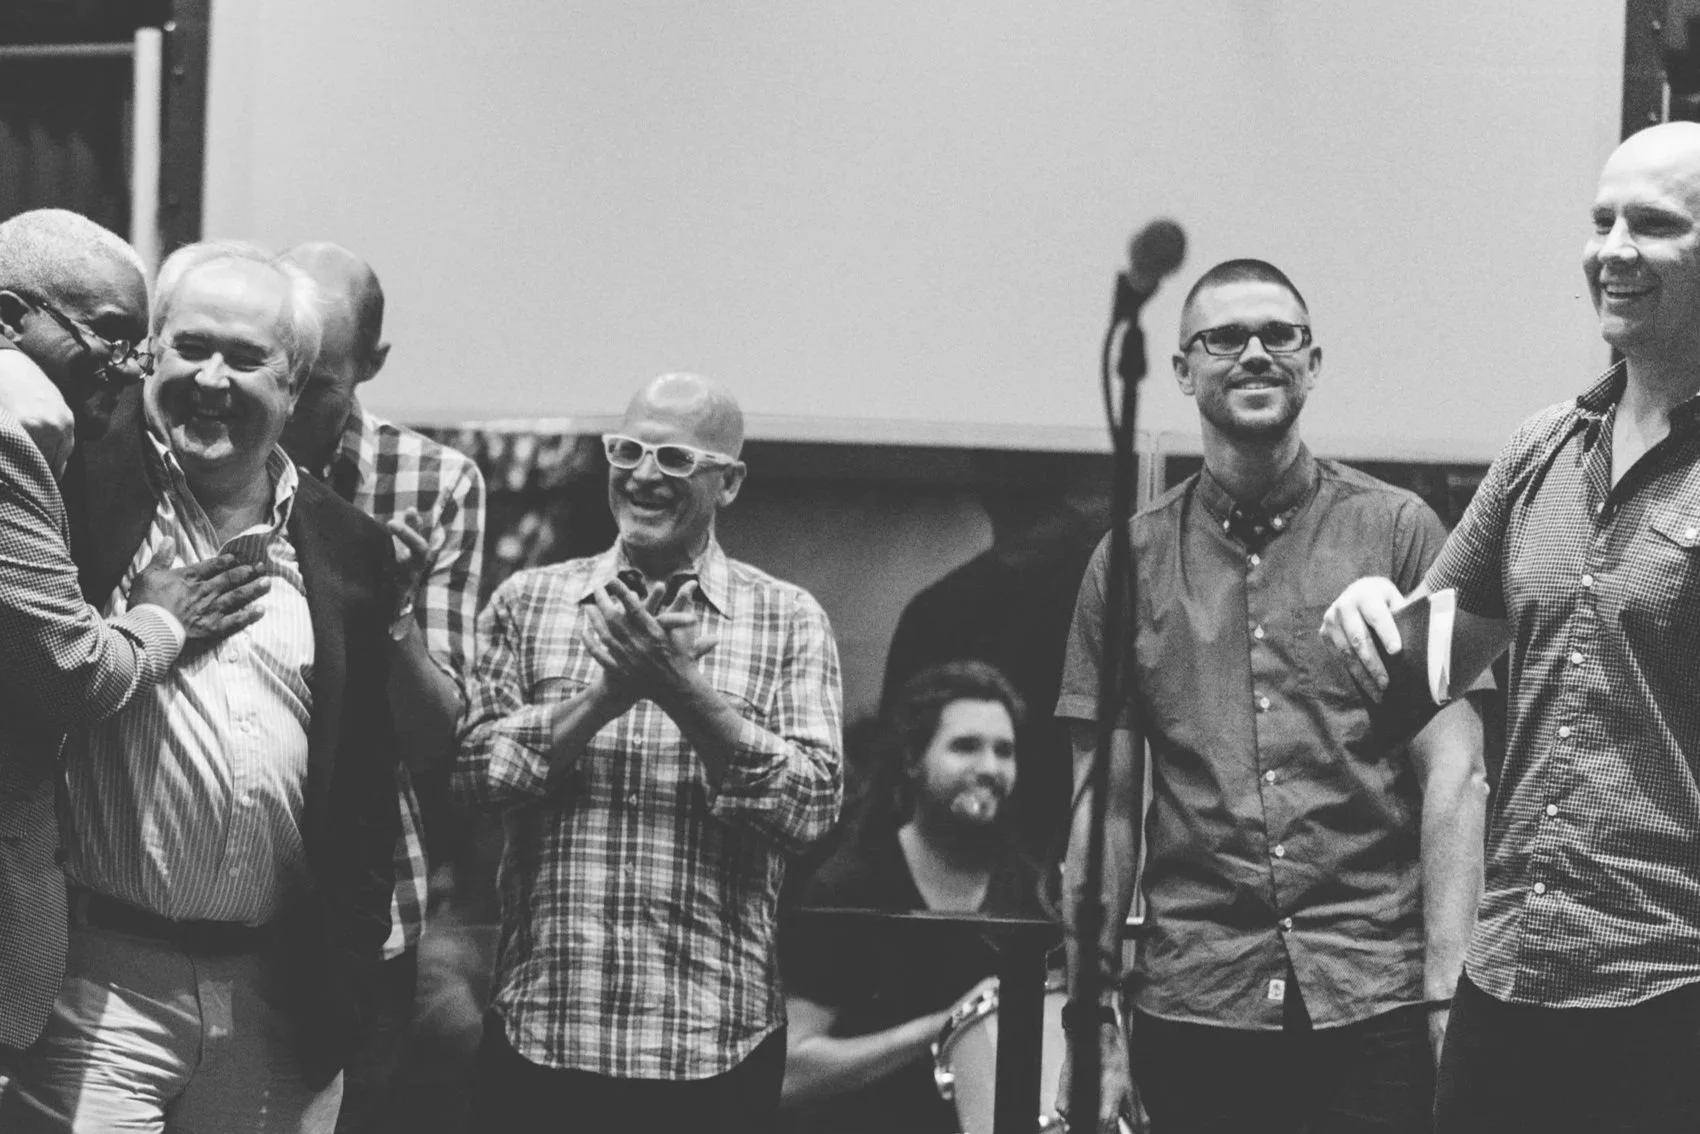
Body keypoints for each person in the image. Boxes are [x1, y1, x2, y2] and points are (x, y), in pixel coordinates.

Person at [1323, 120, 1700, 1133]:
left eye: (1651, 225)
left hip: (1668, 986)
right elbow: (1425, 666)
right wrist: (1371, 616)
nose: (1610, 249)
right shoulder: (1541, 448)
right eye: (1599, 220)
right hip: (1511, 976)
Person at [1058, 259, 1489, 1134]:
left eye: (1279, 335)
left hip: (1377, 997)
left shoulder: (1398, 531)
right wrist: (1089, 1022)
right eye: (1225, 337)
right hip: (1196, 999)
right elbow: (1103, 812)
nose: (1255, 354)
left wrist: (1450, 1002)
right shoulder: (1129, 562)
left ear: (1313, 362)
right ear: (1182, 370)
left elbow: (1457, 778)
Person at [0, 240, 409, 1134]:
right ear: (151, 353)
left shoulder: (351, 547)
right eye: (190, 347)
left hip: (279, 997)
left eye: (246, 358)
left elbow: (367, 782)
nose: (211, 379)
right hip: (91, 985)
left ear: (296, 385)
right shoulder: (72, 482)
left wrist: (347, 958)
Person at [455, 372, 842, 1131]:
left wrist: (681, 690)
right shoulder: (528, 603)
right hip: (544, 1039)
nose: (641, 475)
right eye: (627, 451)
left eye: (672, 459)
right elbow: (469, 776)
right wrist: (605, 697)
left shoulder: (789, 618)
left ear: (727, 483)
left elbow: (814, 809)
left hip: (713, 1049)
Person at [0, 209, 267, 1082]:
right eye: (110, 339)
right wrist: (159, 622)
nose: (124, 372)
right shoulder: (22, 413)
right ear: (9, 320)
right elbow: (71, 673)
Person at [280, 241, 487, 1131]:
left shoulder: (434, 482)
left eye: (316, 383)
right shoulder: (203, 443)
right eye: (274, 367)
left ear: (371, 366)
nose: (280, 404)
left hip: (365, 902)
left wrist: (392, 613)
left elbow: (440, 739)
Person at [781, 659, 1046, 1133]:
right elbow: (790, 1072)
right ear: (912, 761)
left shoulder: (1031, 890)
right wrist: (954, 1024)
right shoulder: (849, 884)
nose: (989, 768)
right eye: (965, 746)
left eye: (1004, 751)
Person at [882, 453, 1105, 863]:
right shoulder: (940, 610)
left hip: (1058, 858)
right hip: (972, 856)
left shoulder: (1102, 598)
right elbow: (895, 764)